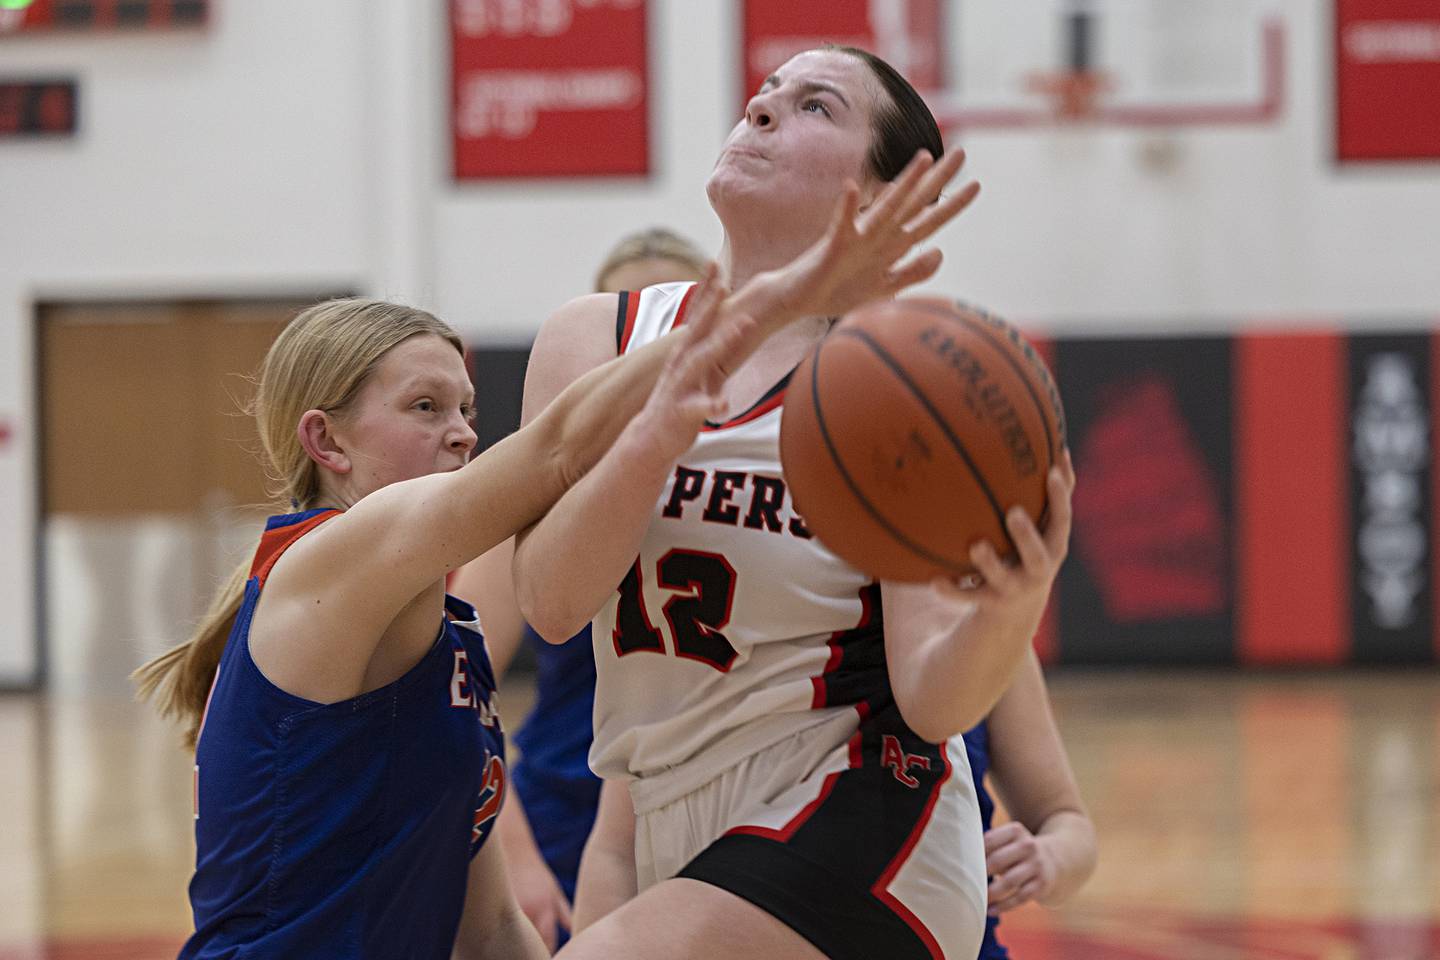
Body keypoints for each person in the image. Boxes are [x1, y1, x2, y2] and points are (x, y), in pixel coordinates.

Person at [131, 175, 958, 960]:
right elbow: (556, 451)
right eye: (425, 408)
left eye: (466, 409)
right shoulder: (324, 560)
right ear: (327, 441)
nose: (460, 432)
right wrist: (767, 303)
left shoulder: (451, 636)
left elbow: (490, 929)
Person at [514, 45, 1072, 960]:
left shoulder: (898, 380)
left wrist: (1010, 610)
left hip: (864, 807)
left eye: (816, 107)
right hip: (673, 821)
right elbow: (550, 602)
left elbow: (932, 700)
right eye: (762, 98)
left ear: (888, 196)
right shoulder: (592, 338)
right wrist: (659, 429)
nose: (763, 113)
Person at [449, 227, 710, 951]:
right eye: (628, 320)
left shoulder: (753, 496)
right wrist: (517, 858)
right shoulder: (533, 508)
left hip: (716, 813)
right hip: (568, 819)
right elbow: (456, 692)